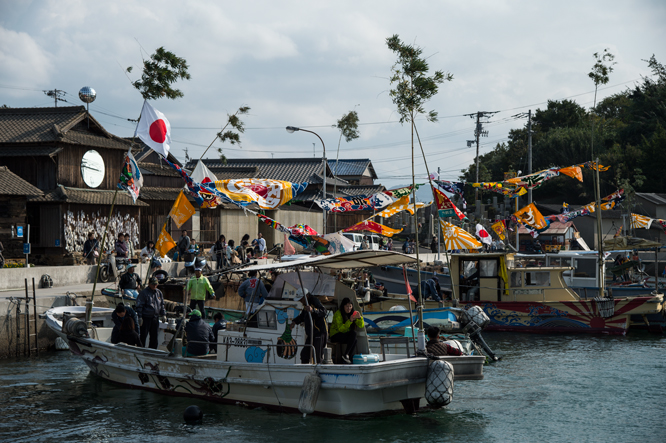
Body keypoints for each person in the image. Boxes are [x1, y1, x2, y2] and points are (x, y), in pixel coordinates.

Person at [291, 288, 327, 364]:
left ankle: (318, 371)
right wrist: (294, 321)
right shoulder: (305, 305)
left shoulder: (314, 301)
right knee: (304, 354)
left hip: (319, 333)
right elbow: (303, 315)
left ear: (306, 297)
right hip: (311, 334)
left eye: (301, 299)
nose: (300, 301)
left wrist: (313, 310)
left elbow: (324, 311)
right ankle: (306, 370)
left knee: (317, 355)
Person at [330, 297, 364, 363]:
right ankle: (346, 355)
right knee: (353, 334)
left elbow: (361, 325)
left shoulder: (352, 313)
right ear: (343, 306)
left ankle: (349, 357)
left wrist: (359, 318)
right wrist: (350, 320)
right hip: (335, 335)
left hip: (344, 334)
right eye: (347, 306)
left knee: (355, 338)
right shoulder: (338, 314)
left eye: (350, 306)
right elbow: (341, 329)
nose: (349, 308)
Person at [136, 277, 167, 349]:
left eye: (156, 284)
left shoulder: (159, 292)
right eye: (153, 284)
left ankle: (152, 351)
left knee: (154, 337)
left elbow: (162, 304)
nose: (154, 286)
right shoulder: (143, 293)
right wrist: (140, 317)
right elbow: (139, 306)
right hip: (146, 317)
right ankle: (140, 350)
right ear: (149, 284)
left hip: (155, 318)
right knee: (143, 336)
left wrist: (163, 314)